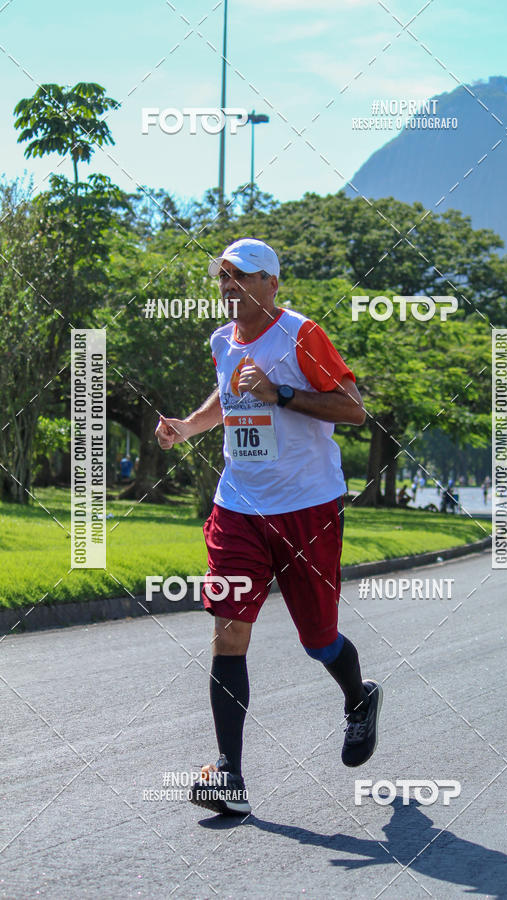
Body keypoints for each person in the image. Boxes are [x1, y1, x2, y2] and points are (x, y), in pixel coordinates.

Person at [155, 238, 382, 817]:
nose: (229, 285)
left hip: (307, 508)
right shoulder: (221, 341)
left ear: (271, 283)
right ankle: (229, 774)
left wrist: (280, 393)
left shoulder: (302, 335)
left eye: (241, 275)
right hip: (238, 506)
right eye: (223, 276)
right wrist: (189, 427)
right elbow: (226, 397)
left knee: (319, 640)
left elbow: (353, 409)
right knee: (228, 632)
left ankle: (359, 699)